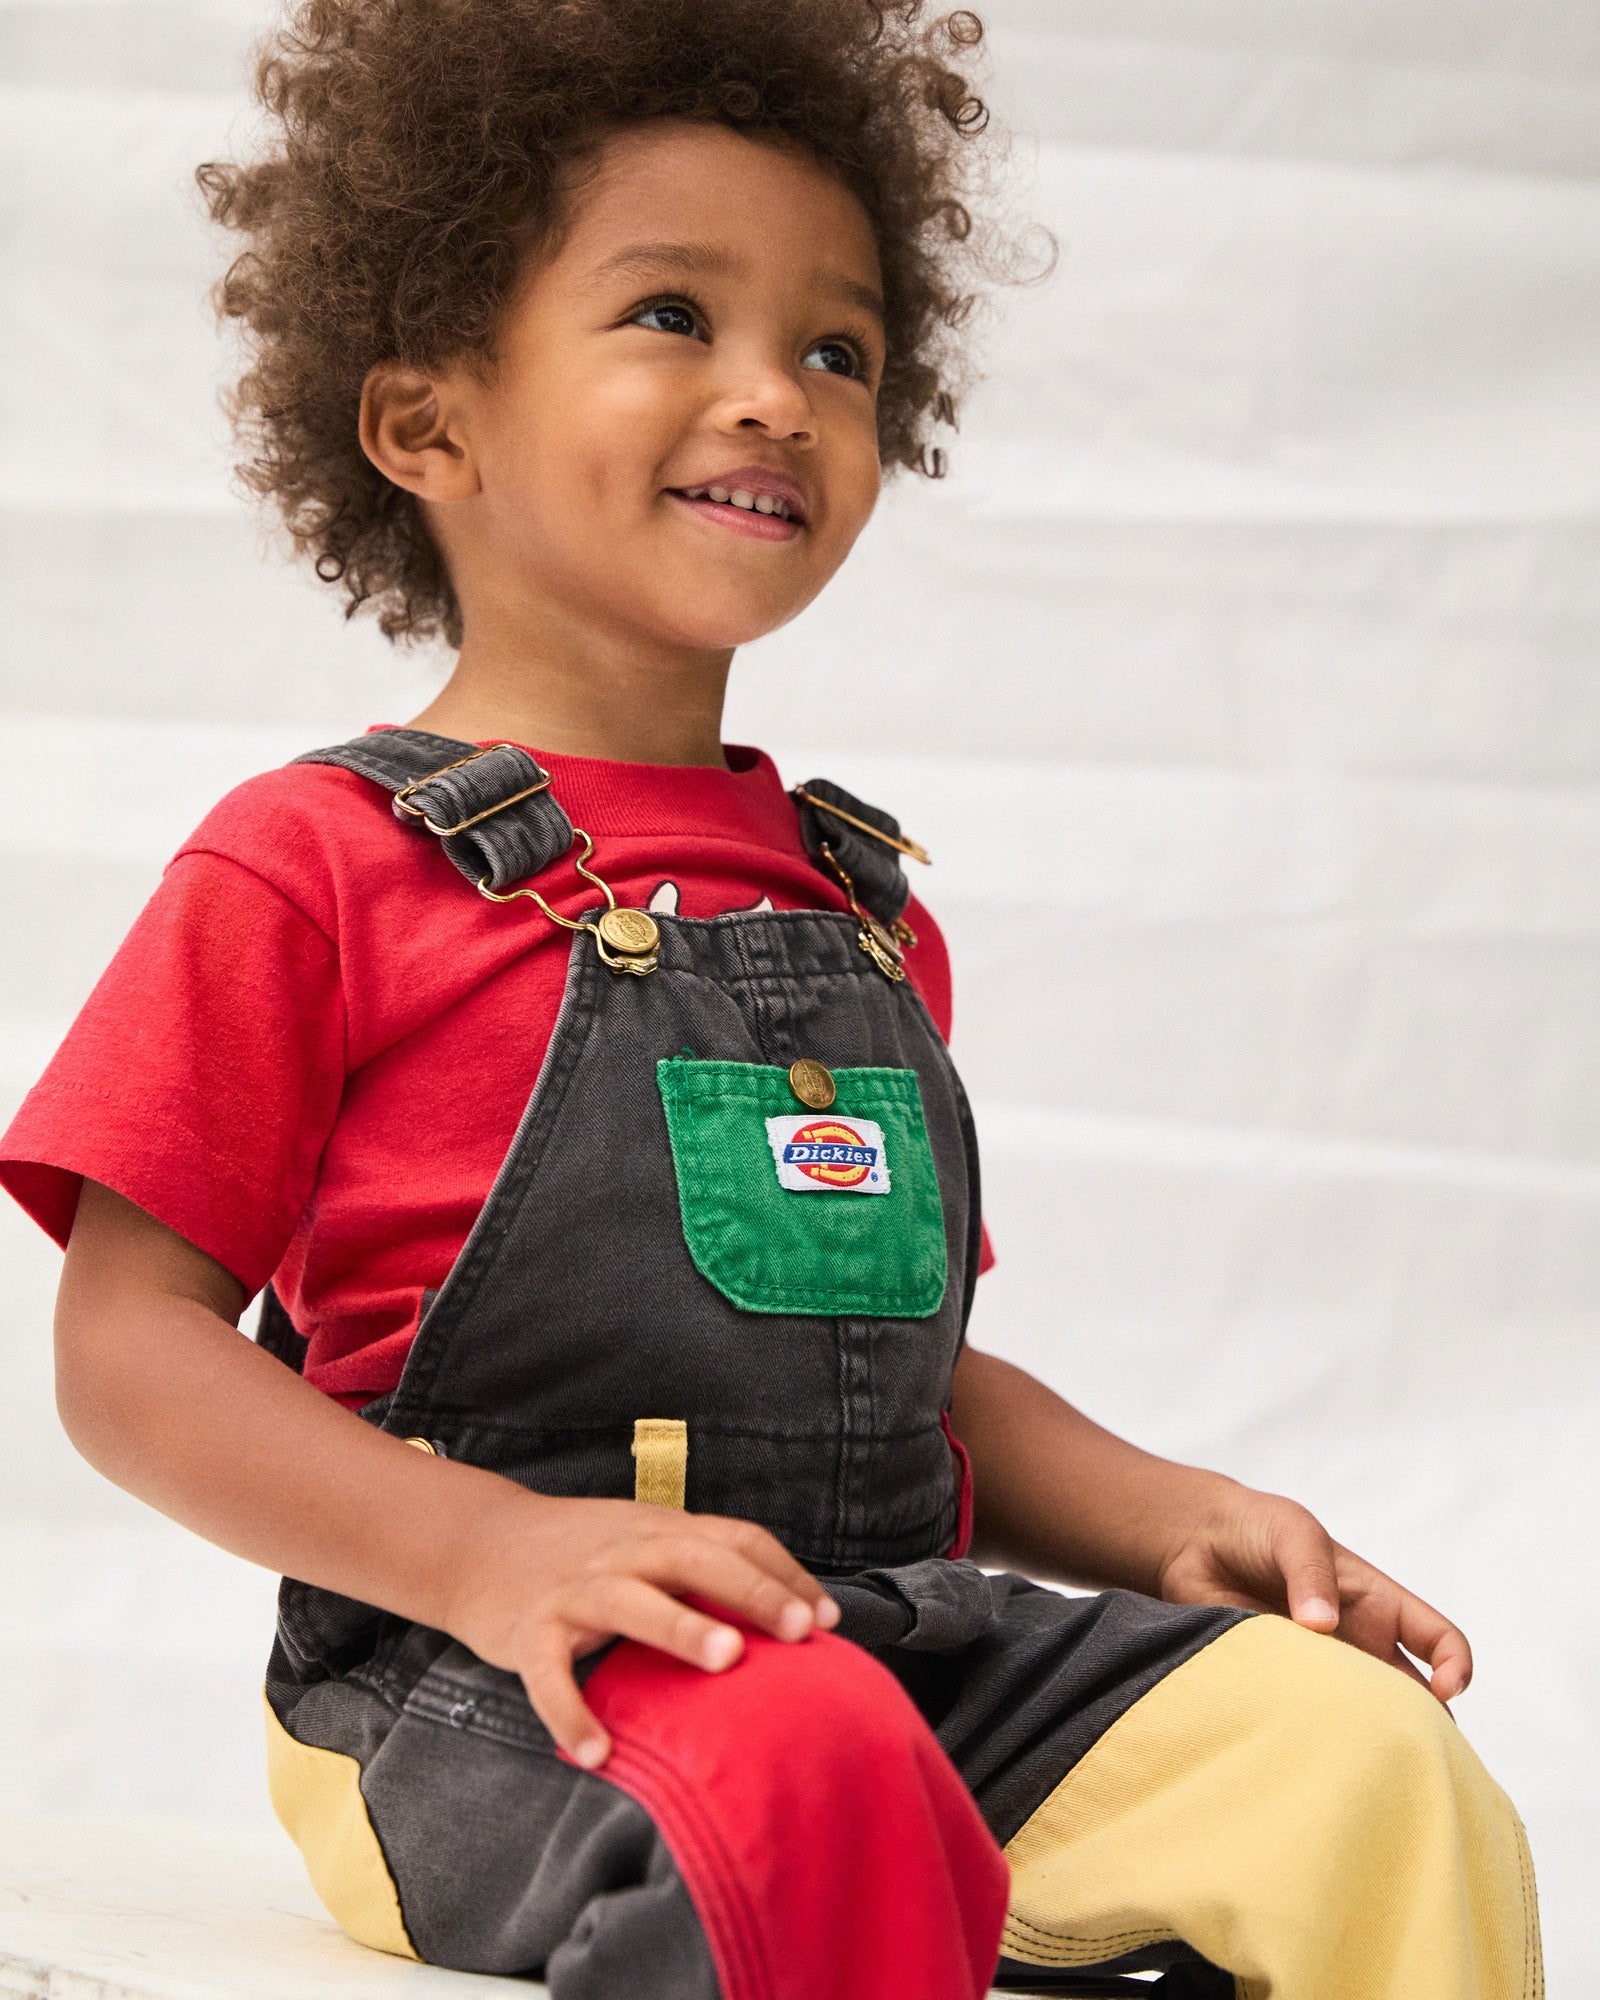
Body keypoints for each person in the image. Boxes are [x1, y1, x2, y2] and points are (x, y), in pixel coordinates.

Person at [1, 2, 1541, 1995]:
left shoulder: (859, 905)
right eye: (670, 315)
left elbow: (914, 1376)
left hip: (877, 1641)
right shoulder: (309, 865)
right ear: (425, 424)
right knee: (798, 1764)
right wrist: (488, 1552)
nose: (774, 397)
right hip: (472, 1691)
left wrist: (1172, 1515)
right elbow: (126, 1349)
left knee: (1356, 1754)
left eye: (836, 349)